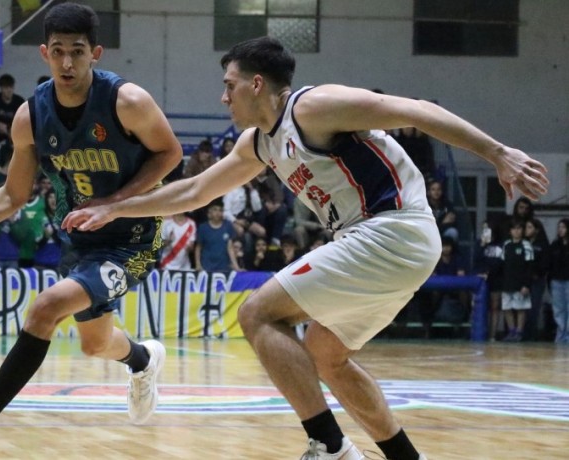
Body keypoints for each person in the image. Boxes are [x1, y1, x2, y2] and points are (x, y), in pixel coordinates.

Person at [61, 36, 549, 460]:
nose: (223, 97)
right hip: (385, 243)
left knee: (256, 314)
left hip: (392, 228)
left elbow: (415, 111)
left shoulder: (313, 107)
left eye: (230, 86)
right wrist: (115, 207)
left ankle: (329, 445)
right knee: (326, 353)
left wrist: (498, 153)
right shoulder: (258, 143)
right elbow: (194, 192)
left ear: (256, 85)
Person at [0, 4, 183, 458]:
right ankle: (143, 361)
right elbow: (11, 196)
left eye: (77, 52)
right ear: (45, 53)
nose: (67, 63)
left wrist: (114, 203)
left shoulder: (128, 102)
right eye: (58, 52)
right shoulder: (30, 116)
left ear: (95, 54)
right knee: (95, 343)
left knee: (46, 307)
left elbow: (170, 154)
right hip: (81, 240)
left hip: (134, 239)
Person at [500, 219, 534, 342]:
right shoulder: (506, 245)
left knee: (520, 308)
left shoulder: (526, 245)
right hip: (507, 283)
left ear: (523, 231)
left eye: (519, 229)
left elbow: (530, 267)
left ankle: (519, 331)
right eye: (514, 229)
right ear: (510, 231)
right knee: (507, 308)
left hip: (521, 284)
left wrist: (526, 284)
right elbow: (501, 264)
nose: (516, 231)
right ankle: (512, 331)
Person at [547, 218, 569, 344]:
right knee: (559, 309)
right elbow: (550, 263)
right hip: (556, 281)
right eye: (559, 227)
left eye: (563, 227)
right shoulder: (555, 245)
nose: (560, 230)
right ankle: (561, 335)